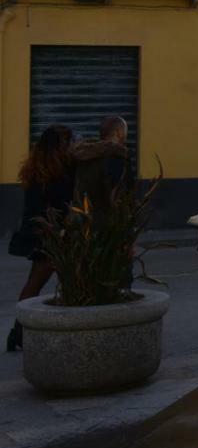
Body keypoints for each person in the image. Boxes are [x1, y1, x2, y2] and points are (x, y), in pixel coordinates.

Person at [7, 125, 75, 352]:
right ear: (58, 146)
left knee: (38, 283)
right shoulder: (54, 174)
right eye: (68, 142)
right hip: (51, 237)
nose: (71, 145)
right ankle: (19, 331)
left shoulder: (42, 170)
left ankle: (19, 332)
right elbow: (45, 208)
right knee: (43, 282)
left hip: (50, 235)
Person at [72, 116, 134, 217]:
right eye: (124, 132)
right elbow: (120, 197)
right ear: (118, 133)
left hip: (85, 222)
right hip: (109, 226)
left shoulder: (85, 156)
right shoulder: (116, 158)